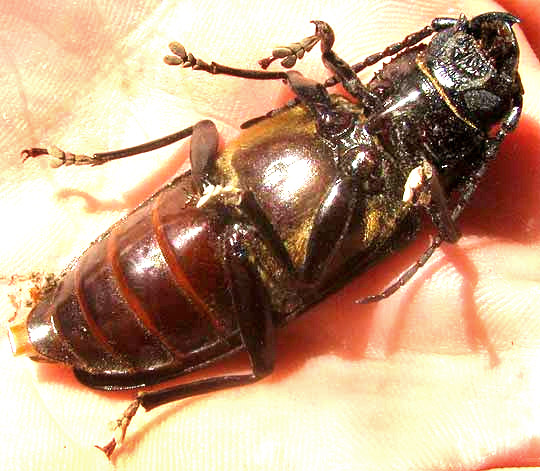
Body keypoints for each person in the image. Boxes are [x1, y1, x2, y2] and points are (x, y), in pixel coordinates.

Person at [1, 0, 539, 468]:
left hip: (240, 275)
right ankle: (93, 165)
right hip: (192, 220)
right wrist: (319, 51)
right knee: (205, 134)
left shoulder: (406, 201)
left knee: (262, 363)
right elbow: (306, 77)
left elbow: (435, 225)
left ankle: (146, 403)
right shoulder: (341, 107)